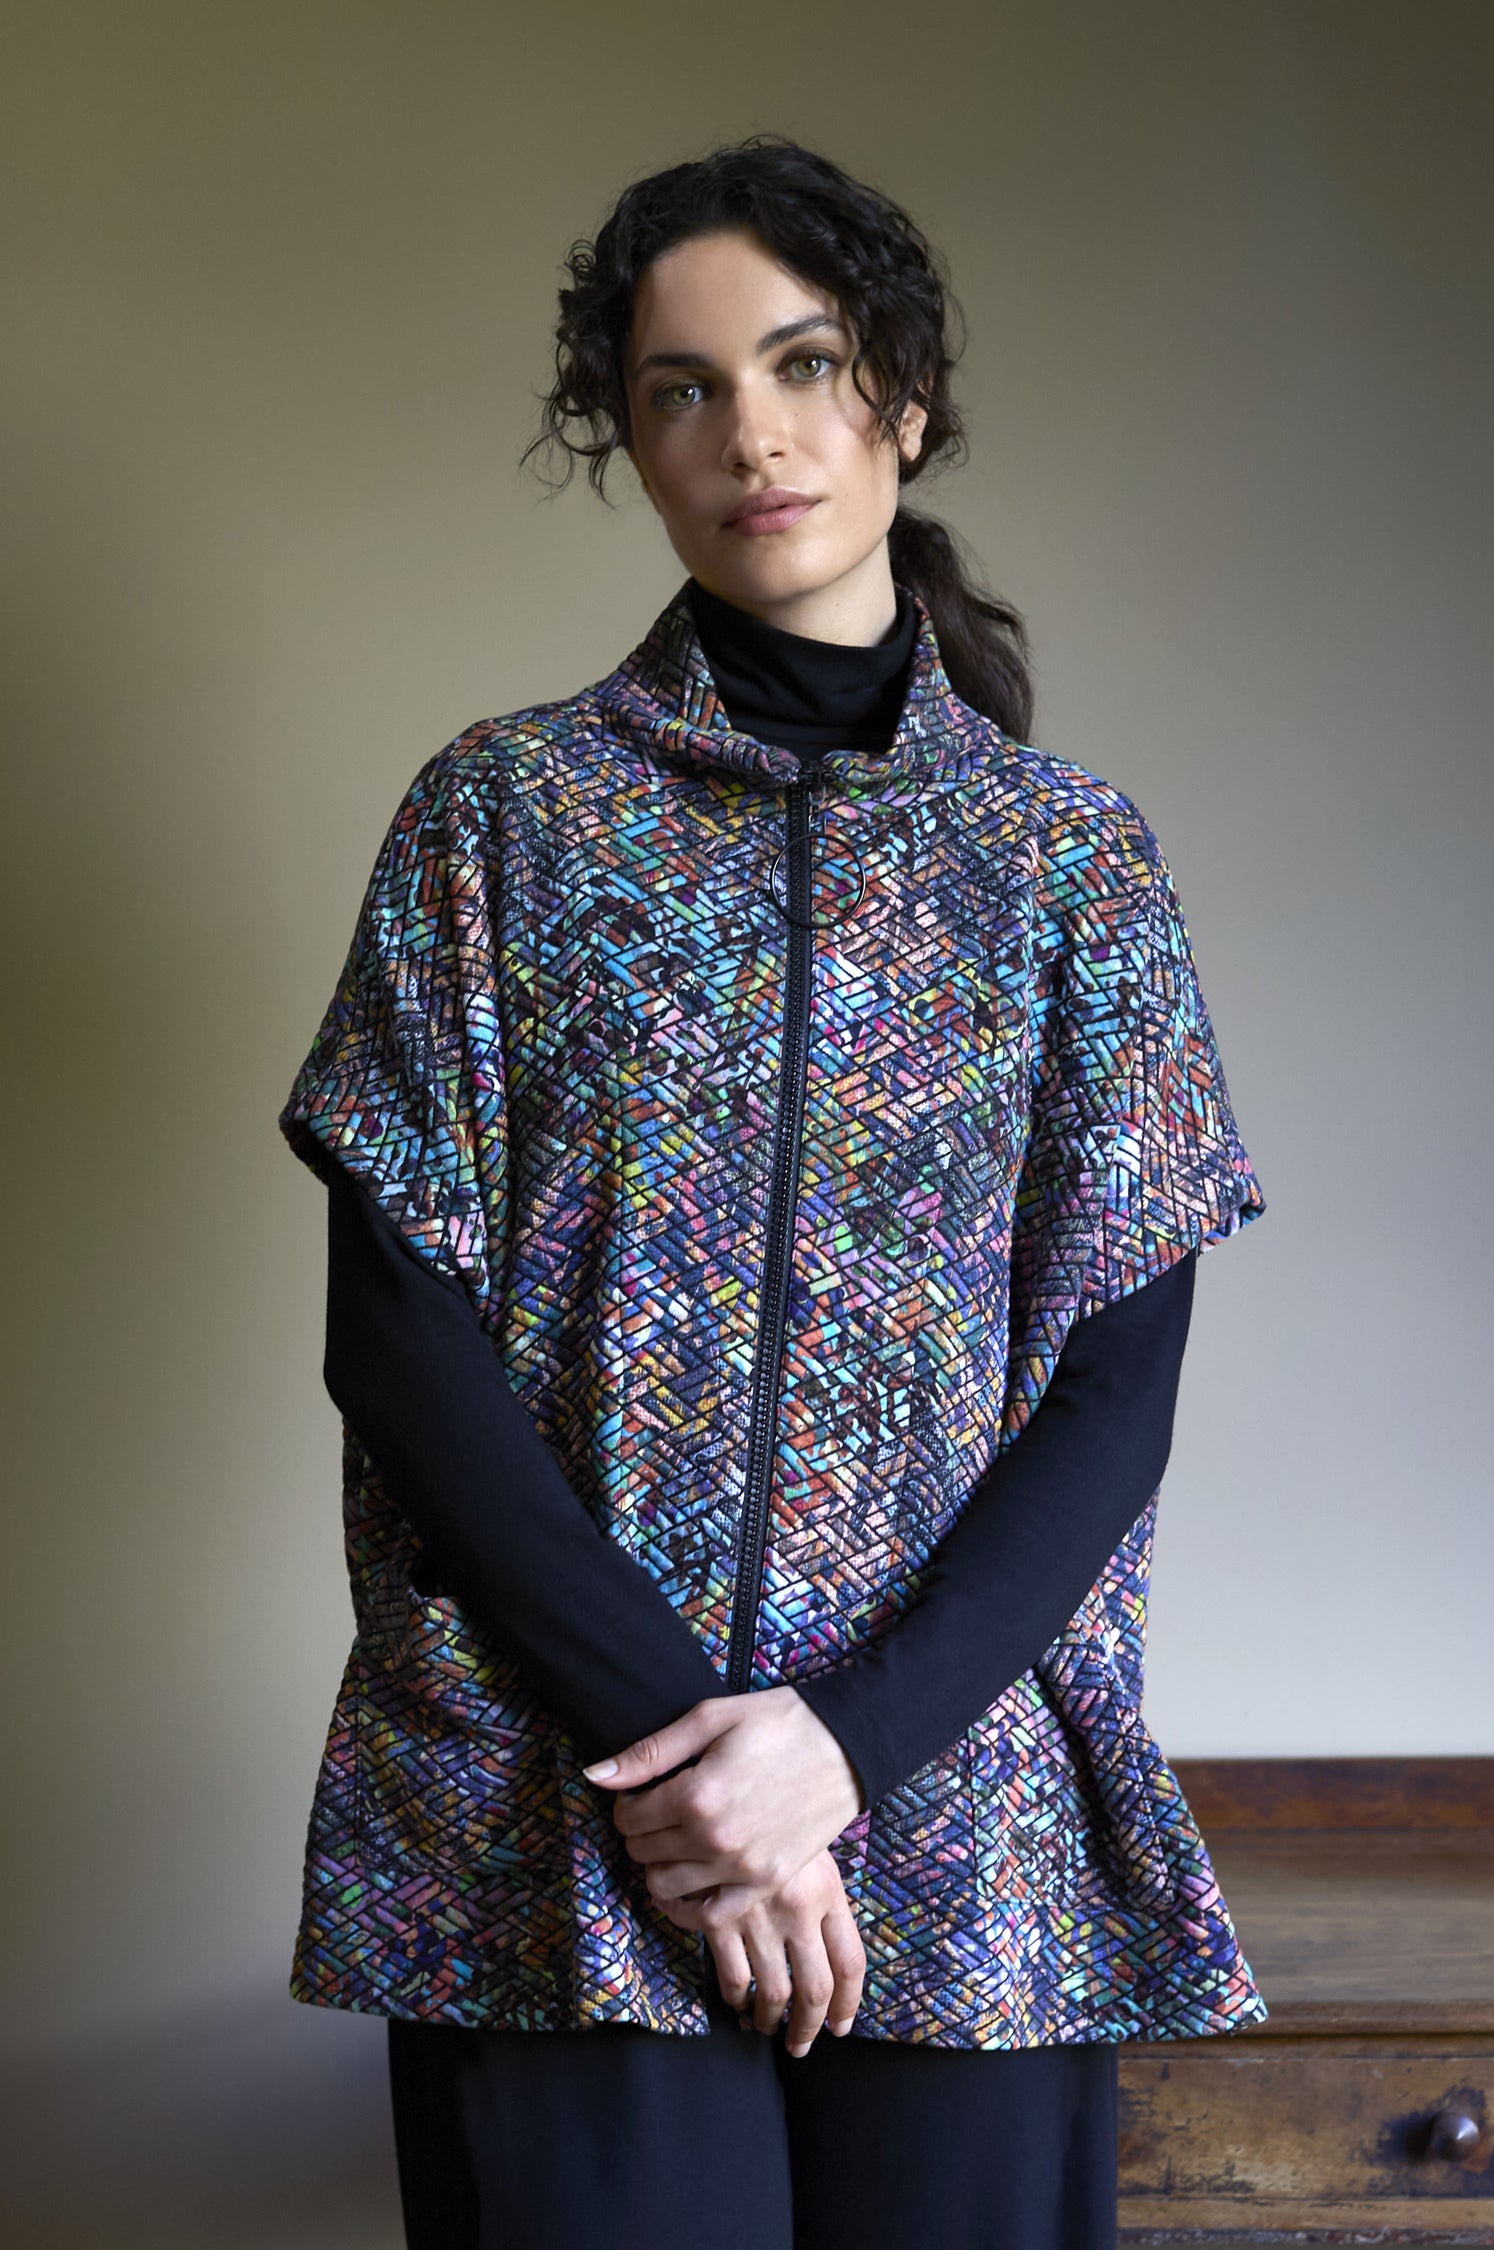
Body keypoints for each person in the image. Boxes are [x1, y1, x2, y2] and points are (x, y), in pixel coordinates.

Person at [280, 134, 1268, 2250]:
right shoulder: (501, 822)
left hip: (959, 1805)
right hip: (561, 1811)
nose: (751, 434)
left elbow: (1116, 1387)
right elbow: (395, 1328)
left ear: (902, 399)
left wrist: (837, 1754)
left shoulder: (1068, 866)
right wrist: (688, 1769)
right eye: (680, 390)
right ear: (627, 443)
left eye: (804, 365)